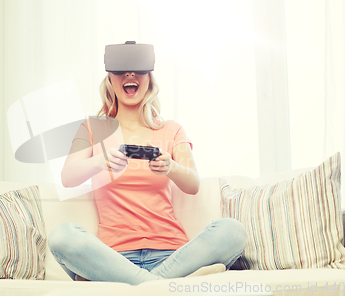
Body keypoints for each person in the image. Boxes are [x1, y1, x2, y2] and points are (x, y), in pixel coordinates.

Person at [48, 42, 246, 285]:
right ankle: (158, 286)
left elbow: (193, 184)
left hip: (171, 255)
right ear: (110, 79)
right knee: (61, 236)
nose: (130, 75)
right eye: (121, 70)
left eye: (138, 70)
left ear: (149, 80)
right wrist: (100, 161)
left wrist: (171, 167)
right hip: (113, 259)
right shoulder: (92, 128)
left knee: (232, 230)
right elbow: (68, 177)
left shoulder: (172, 130)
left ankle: (137, 285)